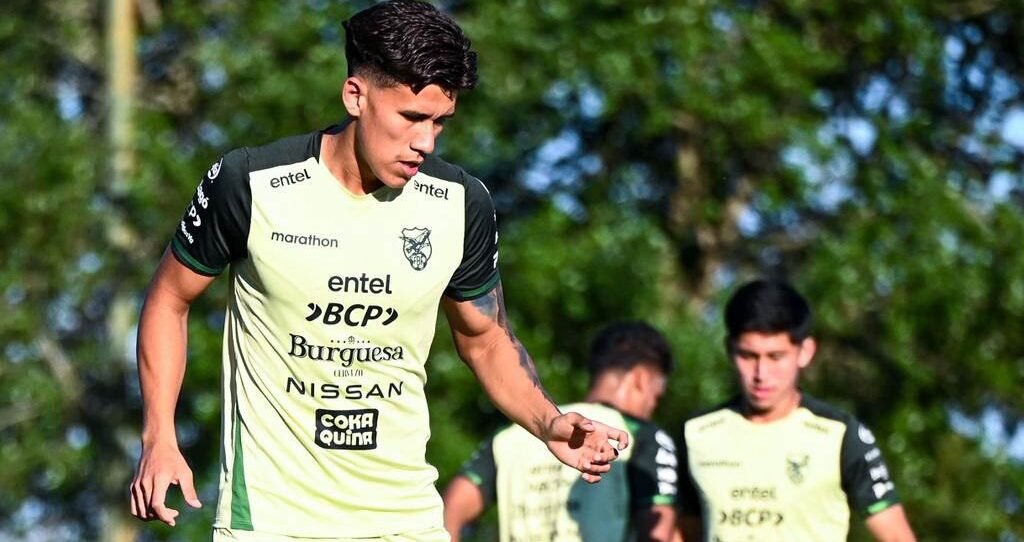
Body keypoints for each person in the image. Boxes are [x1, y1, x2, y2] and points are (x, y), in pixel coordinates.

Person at [127, 2, 628, 540]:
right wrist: (159, 437)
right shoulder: (250, 182)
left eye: (440, 122)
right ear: (355, 96)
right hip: (269, 521)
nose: (426, 142)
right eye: (411, 118)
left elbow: (485, 340)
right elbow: (169, 300)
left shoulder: (461, 204)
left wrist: (548, 422)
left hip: (406, 520)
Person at [676, 280, 917, 542]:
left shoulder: (840, 434)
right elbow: (683, 533)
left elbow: (897, 537)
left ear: (805, 352)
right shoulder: (696, 434)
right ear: (729, 350)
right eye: (748, 356)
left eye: (776, 356)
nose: (761, 374)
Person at [443, 321, 679, 542]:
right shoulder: (642, 436)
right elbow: (659, 533)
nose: (653, 407)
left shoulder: (514, 434)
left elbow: (452, 507)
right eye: (656, 398)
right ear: (640, 379)